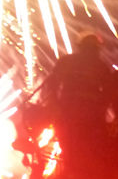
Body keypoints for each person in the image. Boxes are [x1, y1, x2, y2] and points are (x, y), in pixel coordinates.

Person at [43, 33, 112, 168]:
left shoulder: (68, 62)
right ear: (96, 49)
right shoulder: (101, 67)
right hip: (89, 117)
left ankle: (71, 173)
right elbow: (108, 94)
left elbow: (51, 84)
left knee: (69, 148)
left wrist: (54, 104)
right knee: (87, 151)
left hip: (68, 113)